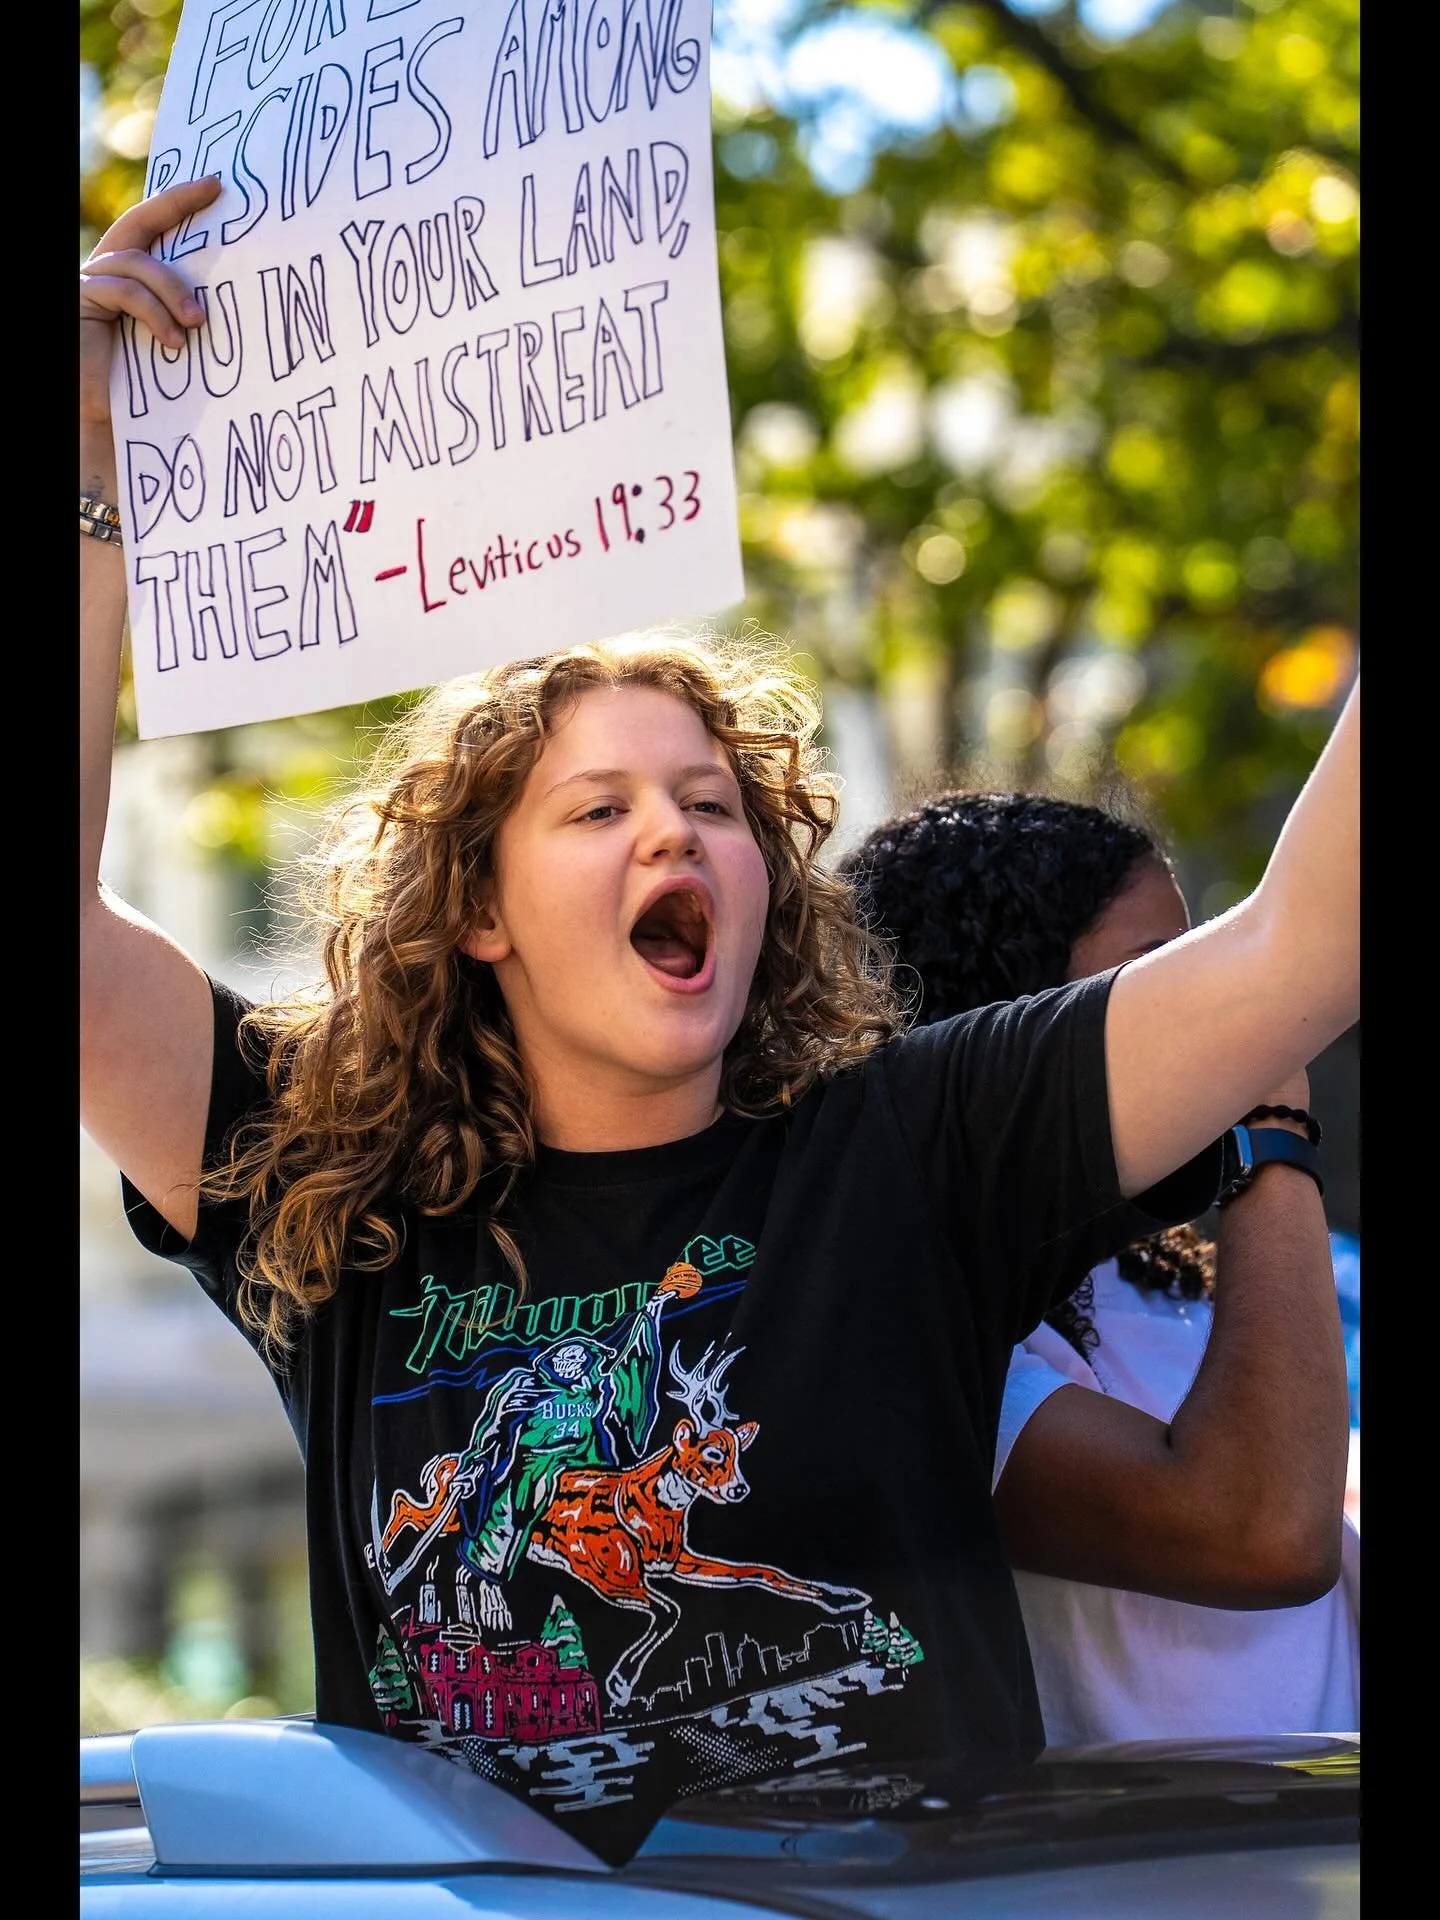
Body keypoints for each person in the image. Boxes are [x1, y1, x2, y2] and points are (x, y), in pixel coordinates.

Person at [81, 177, 1359, 1866]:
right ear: (478, 912)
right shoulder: (334, 1188)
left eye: (712, 804)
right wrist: (102, 482)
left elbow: (1303, 947)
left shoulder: (913, 1142)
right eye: (598, 811)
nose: (674, 835)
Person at [839, 790, 1359, 1743]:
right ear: (1015, 1019)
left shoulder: (1165, 1280)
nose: (1204, 1001)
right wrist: (1271, 1129)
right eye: (1153, 972)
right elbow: (1264, 1535)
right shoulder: (937, 1327)